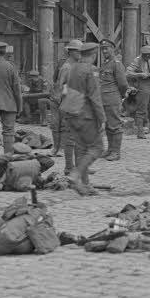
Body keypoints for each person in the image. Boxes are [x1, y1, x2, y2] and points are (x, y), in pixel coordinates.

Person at [59, 40, 105, 193]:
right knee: (97, 148)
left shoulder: (72, 67)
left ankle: (84, 185)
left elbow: (63, 89)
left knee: (81, 149)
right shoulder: (91, 70)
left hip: (71, 113)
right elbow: (94, 96)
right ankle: (76, 173)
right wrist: (102, 118)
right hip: (86, 115)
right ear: (94, 54)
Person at [49, 40, 83, 171]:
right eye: (78, 51)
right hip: (63, 101)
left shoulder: (76, 65)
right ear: (71, 52)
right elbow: (59, 84)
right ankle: (61, 153)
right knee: (60, 126)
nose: (80, 54)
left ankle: (77, 164)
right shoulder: (67, 66)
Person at [96, 39, 128, 160]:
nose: (104, 51)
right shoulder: (105, 64)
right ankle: (110, 149)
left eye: (106, 48)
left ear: (113, 49)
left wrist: (119, 95)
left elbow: (123, 84)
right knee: (108, 125)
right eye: (102, 49)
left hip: (113, 98)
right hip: (104, 99)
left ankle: (116, 152)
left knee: (115, 125)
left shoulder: (116, 63)